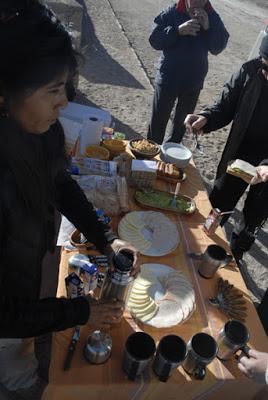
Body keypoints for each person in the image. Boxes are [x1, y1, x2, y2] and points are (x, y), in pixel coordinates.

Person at [0, 0, 139, 398]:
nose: (64, 103)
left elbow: (60, 184)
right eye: (53, 90)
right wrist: (79, 312)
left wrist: (106, 238)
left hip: (28, 276)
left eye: (67, 88)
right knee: (18, 375)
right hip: (8, 324)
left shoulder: (37, 132)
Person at [185, 34, 268, 264]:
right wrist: (205, 118)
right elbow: (225, 106)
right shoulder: (249, 71)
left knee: (254, 216)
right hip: (239, 154)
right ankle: (203, 244)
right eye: (265, 65)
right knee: (219, 202)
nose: (266, 73)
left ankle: (236, 253)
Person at [147, 0, 229, 145]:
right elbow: (154, 40)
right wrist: (177, 31)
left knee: (181, 125)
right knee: (158, 121)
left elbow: (217, 48)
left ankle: (171, 155)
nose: (198, 2)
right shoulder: (172, 11)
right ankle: (150, 155)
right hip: (168, 77)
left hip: (193, 81)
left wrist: (208, 27)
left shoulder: (211, 15)